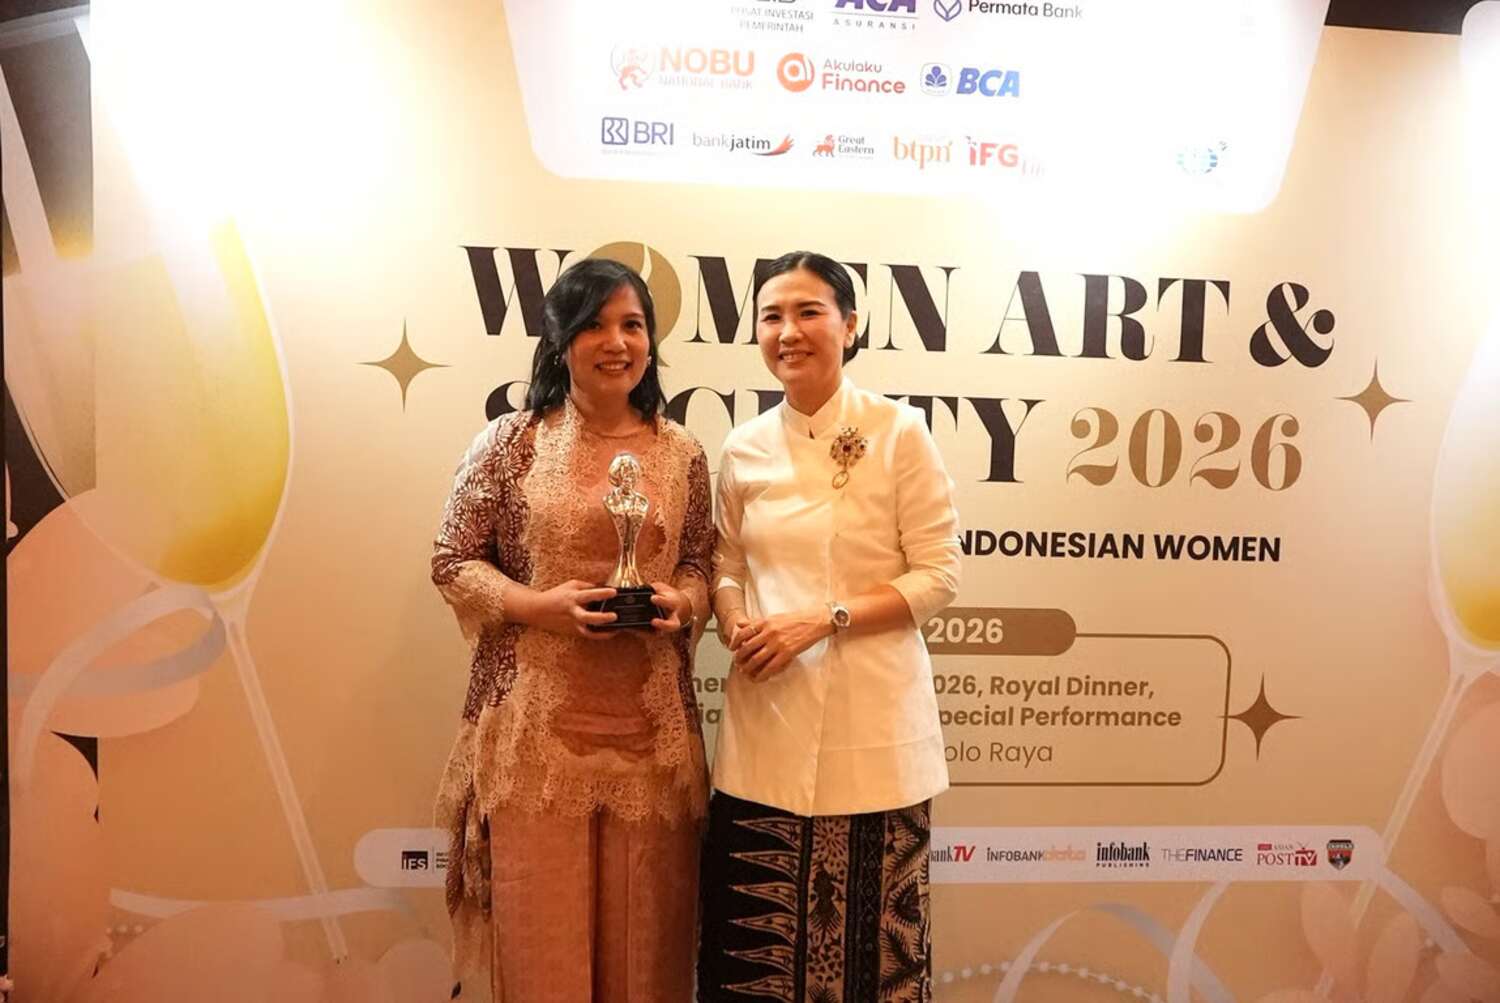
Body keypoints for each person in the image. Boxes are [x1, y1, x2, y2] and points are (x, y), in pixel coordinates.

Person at [432, 257, 713, 1001]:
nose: (616, 342)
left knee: (646, 967)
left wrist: (683, 602)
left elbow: (699, 562)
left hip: (653, 750)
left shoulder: (683, 453)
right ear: (560, 340)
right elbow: (452, 559)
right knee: (544, 961)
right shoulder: (510, 442)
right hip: (535, 746)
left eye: (632, 325)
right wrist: (539, 607)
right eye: (595, 324)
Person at [699, 251, 961, 1002]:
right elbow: (725, 561)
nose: (789, 331)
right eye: (772, 316)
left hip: (872, 725)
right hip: (765, 721)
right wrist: (735, 619)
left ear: (850, 325)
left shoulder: (899, 430)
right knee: (753, 960)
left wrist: (824, 618)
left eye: (808, 312)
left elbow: (939, 574)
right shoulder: (743, 445)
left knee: (873, 965)